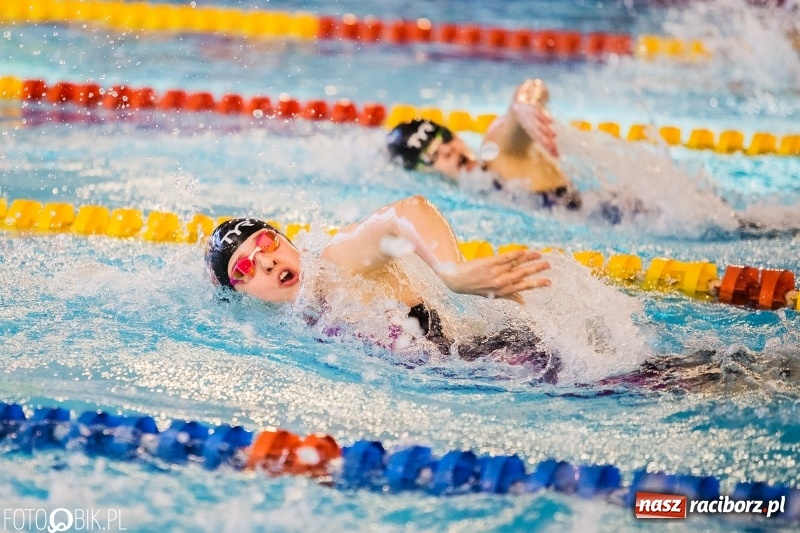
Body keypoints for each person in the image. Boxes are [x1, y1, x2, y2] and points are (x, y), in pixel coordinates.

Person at [205, 195, 563, 382]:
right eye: (245, 268)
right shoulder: (291, 326)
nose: (266, 261)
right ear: (241, 296)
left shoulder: (338, 262)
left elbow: (405, 211)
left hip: (522, 361)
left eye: (267, 243)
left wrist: (452, 272)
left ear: (288, 243)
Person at [386, 79, 583, 213]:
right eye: (431, 155)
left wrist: (524, 104)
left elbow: (530, 91)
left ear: (456, 134)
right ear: (423, 173)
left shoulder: (496, 152)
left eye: (445, 137)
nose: (448, 150)